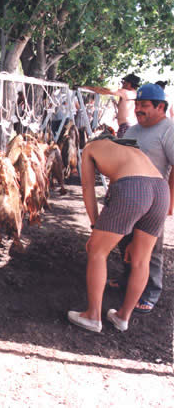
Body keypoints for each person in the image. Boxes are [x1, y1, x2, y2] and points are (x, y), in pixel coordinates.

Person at [68, 132, 169, 332]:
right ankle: (123, 318)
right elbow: (128, 194)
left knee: (97, 251)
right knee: (141, 260)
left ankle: (93, 316)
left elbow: (88, 188)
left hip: (134, 187)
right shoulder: (128, 150)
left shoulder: (90, 148)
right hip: (161, 190)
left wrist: (95, 226)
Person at [111, 83, 174, 313]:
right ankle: (127, 280)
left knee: (150, 250)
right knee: (125, 241)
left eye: (144, 105)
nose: (138, 109)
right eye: (136, 104)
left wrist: (170, 200)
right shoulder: (133, 130)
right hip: (128, 199)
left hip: (154, 201)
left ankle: (151, 292)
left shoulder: (169, 130)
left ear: (160, 107)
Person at [82, 73, 140, 138]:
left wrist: (87, 88)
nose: (123, 84)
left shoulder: (126, 92)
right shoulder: (134, 94)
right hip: (128, 126)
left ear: (129, 83)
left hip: (126, 127)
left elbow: (105, 91)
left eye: (124, 82)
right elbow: (124, 109)